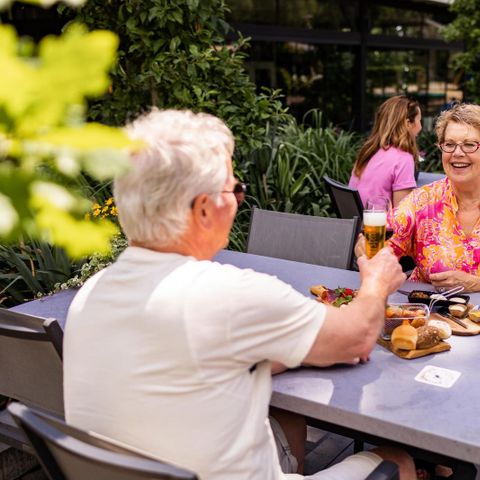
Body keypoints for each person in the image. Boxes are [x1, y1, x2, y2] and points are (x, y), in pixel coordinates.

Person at [63, 109, 416, 479]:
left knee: (282, 420)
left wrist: (280, 352)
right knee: (399, 461)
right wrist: (376, 283)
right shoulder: (229, 293)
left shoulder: (91, 292)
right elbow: (358, 337)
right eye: (235, 190)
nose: (239, 201)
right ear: (203, 209)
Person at [356, 103, 480, 292]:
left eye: (470, 145)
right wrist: (366, 248)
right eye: (449, 144)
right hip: (426, 315)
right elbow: (378, 244)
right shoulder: (423, 201)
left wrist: (475, 284)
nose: (457, 153)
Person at [349, 95, 422, 207]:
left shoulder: (368, 152)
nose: (420, 127)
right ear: (408, 124)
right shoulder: (403, 159)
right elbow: (401, 216)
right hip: (379, 224)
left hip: (357, 222)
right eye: (419, 120)